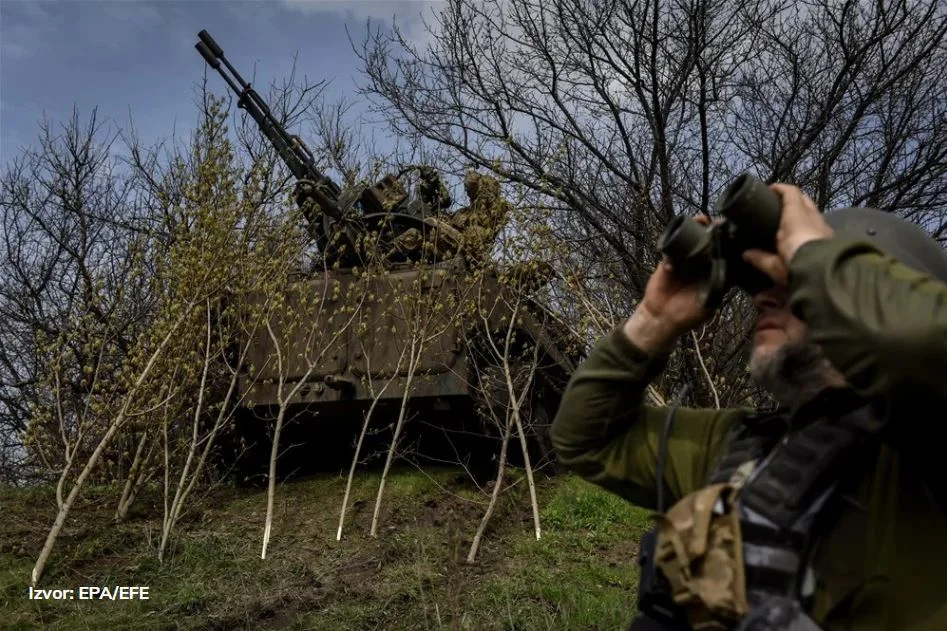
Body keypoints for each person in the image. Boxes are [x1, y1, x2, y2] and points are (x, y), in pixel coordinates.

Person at [550, 183, 947, 631]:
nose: (761, 297)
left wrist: (810, 253)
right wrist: (653, 322)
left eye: (792, 283)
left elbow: (922, 347)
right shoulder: (745, 445)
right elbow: (587, 439)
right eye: (762, 284)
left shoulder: (919, 457)